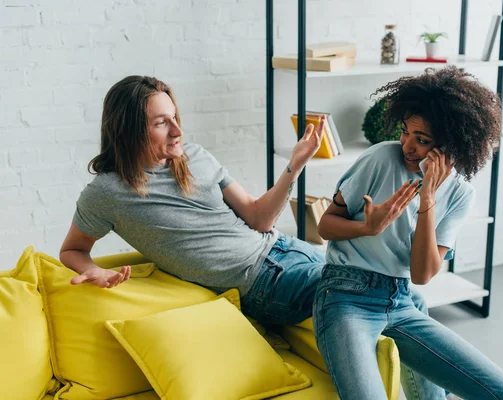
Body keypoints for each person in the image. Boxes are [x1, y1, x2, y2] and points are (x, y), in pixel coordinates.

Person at [313, 66, 503, 400]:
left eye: (422, 140)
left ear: (452, 146)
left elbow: (422, 273)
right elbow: (326, 225)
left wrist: (427, 199)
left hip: (401, 300)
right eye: (406, 133)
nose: (407, 146)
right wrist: (367, 227)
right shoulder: (380, 159)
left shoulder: (459, 194)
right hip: (345, 295)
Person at [59, 75, 327, 326]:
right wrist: (93, 269)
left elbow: (259, 218)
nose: (177, 131)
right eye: (161, 122)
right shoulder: (107, 192)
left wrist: (296, 163)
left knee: (363, 267)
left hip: (286, 247)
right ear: (129, 131)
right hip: (262, 283)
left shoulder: (196, 156)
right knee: (361, 279)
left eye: (174, 117)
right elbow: (72, 250)